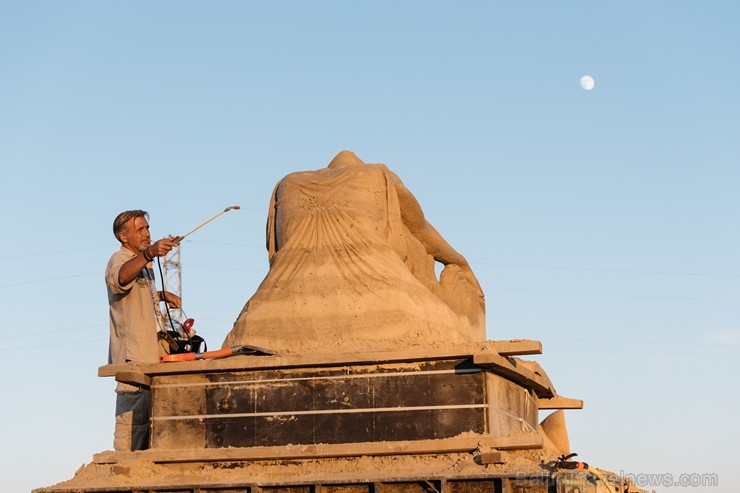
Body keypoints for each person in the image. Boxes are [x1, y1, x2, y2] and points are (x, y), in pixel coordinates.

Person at [223, 150, 485, 355]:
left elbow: (274, 251)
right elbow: (420, 229)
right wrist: (457, 260)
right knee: (452, 329)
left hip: (264, 317)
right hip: (387, 307)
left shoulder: (287, 183)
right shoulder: (377, 174)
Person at [105, 210, 181, 451]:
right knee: (131, 439)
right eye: (140, 230)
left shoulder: (144, 266)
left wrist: (160, 296)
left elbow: (136, 297)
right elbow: (121, 278)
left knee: (151, 435)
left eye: (147, 228)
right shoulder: (119, 259)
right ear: (123, 236)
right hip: (133, 365)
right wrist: (149, 253)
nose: (147, 233)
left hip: (151, 363)